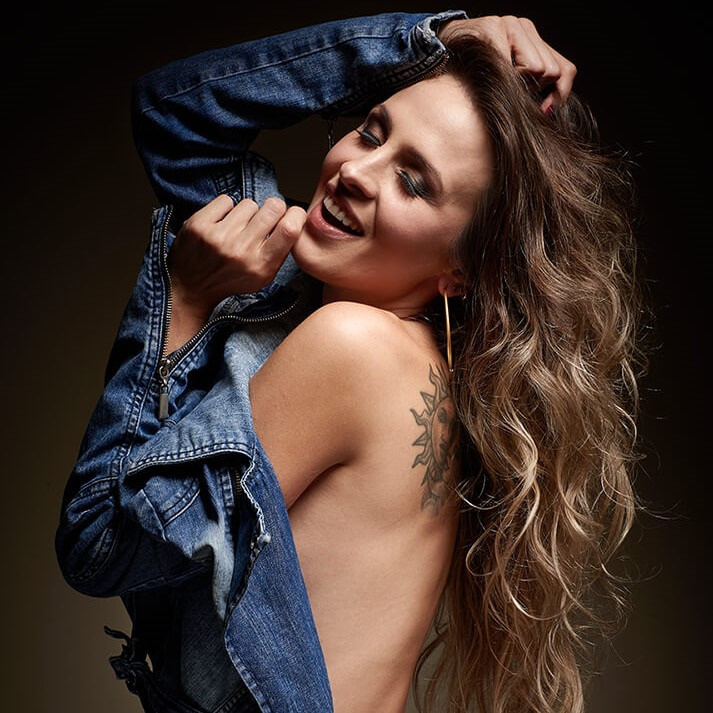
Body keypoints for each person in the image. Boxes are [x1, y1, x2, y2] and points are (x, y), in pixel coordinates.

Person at [55, 9, 642, 713]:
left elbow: (98, 545)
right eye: (370, 130)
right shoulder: (405, 355)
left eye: (414, 183)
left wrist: (180, 303)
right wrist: (428, 41)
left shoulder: (351, 345)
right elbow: (173, 114)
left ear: (461, 270)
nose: (355, 172)